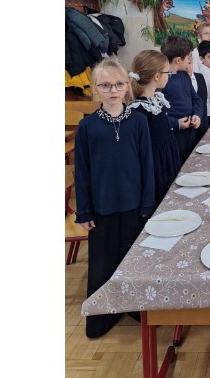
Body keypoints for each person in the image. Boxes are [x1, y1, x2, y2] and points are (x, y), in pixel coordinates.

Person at [73, 57, 155, 338]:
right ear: (96, 89)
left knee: (131, 259)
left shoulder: (139, 122)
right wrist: (84, 211)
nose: (113, 90)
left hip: (134, 204)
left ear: (127, 86)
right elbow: (82, 172)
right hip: (102, 206)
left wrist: (148, 203)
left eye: (119, 84)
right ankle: (102, 316)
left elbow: (146, 164)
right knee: (103, 262)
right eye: (106, 85)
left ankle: (135, 307)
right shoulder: (88, 127)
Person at [129, 50, 182, 208]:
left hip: (167, 157)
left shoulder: (157, 99)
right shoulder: (140, 109)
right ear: (157, 76)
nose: (169, 76)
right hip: (156, 164)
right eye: (167, 72)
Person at [160, 36, 203, 162]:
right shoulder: (162, 81)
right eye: (189, 58)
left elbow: (196, 100)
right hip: (174, 135)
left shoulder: (184, 75)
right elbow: (158, 116)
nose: (190, 61)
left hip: (190, 132)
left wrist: (197, 115)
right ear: (178, 60)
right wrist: (176, 123)